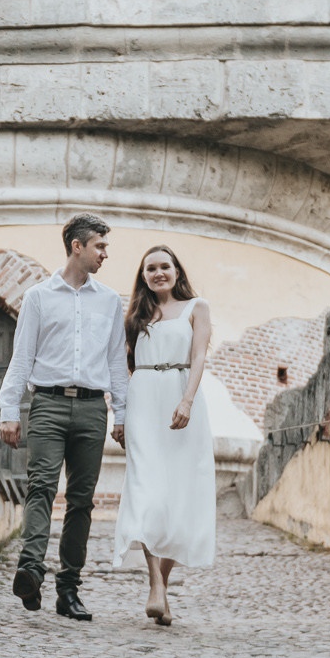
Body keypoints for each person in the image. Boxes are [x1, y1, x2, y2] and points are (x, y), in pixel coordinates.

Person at [0, 214, 127, 620]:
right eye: (99, 246)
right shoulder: (38, 297)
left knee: (82, 501)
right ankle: (31, 570)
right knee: (41, 488)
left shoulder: (110, 301)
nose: (105, 254)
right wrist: (9, 410)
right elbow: (22, 357)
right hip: (48, 406)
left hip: (92, 409)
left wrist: (121, 413)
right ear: (77, 246)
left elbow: (116, 363)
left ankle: (68, 589)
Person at [110, 245, 215, 625]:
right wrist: (119, 415)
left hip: (181, 398)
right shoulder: (136, 315)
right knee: (147, 493)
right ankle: (156, 584)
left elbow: (199, 356)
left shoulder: (196, 307)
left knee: (180, 498)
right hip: (144, 401)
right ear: (143, 276)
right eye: (150, 268)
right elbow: (121, 367)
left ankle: (161, 588)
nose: (158, 273)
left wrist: (187, 401)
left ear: (176, 270)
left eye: (164, 266)